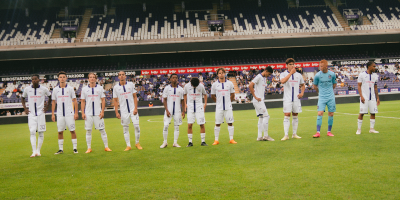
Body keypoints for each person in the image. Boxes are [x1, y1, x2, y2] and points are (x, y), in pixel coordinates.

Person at [81, 73, 112, 153]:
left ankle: (106, 147)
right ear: (88, 79)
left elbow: (103, 100)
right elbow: (83, 101)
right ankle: (89, 148)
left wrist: (102, 111)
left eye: (93, 77)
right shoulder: (84, 89)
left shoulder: (100, 88)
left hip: (98, 113)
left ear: (95, 79)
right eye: (90, 77)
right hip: (88, 113)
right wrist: (83, 113)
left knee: (102, 130)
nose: (92, 78)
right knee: (88, 131)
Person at [22, 74, 52, 157]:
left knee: (41, 133)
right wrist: (25, 108)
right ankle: (34, 151)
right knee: (32, 132)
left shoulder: (44, 89)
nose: (34, 80)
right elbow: (22, 98)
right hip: (31, 114)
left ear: (39, 80)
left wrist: (46, 108)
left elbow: (50, 96)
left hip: (41, 114)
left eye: (35, 79)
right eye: (32, 79)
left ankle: (38, 151)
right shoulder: (27, 89)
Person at [113, 71, 142, 151]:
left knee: (136, 126)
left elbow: (135, 97)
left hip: (133, 109)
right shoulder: (115, 87)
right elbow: (115, 100)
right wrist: (116, 112)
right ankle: (128, 145)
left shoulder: (131, 85)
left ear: (125, 76)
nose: (121, 76)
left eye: (123, 75)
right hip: (123, 111)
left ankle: (137, 143)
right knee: (125, 128)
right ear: (118, 77)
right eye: (120, 75)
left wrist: (136, 108)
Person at [52, 71, 79, 154]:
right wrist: (53, 114)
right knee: (60, 131)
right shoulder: (55, 89)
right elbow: (53, 102)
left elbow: (75, 101)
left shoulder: (70, 89)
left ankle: (75, 148)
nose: (62, 78)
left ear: (66, 78)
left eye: (64, 77)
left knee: (72, 130)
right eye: (60, 77)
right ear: (58, 78)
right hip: (60, 114)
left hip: (69, 113)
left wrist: (76, 113)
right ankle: (60, 149)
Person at [280, 58, 305, 141]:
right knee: (287, 115)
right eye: (290, 64)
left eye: (293, 64)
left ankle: (294, 134)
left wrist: (302, 93)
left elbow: (303, 85)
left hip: (296, 99)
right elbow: (282, 81)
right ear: (286, 65)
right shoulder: (283, 74)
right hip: (287, 99)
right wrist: (291, 73)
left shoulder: (298, 75)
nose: (292, 65)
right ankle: (286, 135)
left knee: (295, 115)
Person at [211, 68, 237, 145]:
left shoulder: (230, 83)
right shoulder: (215, 84)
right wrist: (218, 102)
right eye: (219, 73)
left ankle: (231, 139)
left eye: (222, 73)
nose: (221, 74)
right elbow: (212, 96)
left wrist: (229, 101)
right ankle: (216, 140)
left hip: (228, 107)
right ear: (217, 74)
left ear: (225, 73)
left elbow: (232, 94)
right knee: (217, 123)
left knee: (230, 122)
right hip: (219, 107)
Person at [249, 66, 275, 141]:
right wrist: (255, 96)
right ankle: (266, 136)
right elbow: (250, 85)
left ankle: (259, 136)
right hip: (258, 101)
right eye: (269, 74)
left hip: (260, 101)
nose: (269, 76)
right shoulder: (259, 77)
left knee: (261, 117)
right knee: (266, 116)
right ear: (265, 71)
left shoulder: (263, 78)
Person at [160, 74, 185, 148]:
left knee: (177, 127)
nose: (174, 79)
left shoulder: (181, 89)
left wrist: (183, 111)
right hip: (169, 110)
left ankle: (175, 142)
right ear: (170, 79)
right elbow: (164, 99)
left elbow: (182, 101)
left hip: (177, 111)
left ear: (177, 79)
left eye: (176, 78)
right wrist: (167, 110)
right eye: (173, 78)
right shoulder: (167, 88)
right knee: (165, 126)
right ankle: (165, 142)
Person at [313, 60, 337, 138]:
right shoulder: (317, 75)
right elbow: (314, 86)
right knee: (320, 113)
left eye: (322, 66)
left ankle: (329, 132)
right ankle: (318, 132)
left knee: (331, 114)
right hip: (322, 97)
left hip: (331, 97)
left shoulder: (332, 74)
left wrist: (329, 92)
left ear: (326, 66)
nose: (320, 67)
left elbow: (334, 84)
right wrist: (319, 93)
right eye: (320, 66)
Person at [356, 61, 380, 135]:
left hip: (372, 98)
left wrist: (377, 98)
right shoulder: (362, 75)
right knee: (362, 113)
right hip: (364, 97)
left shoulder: (375, 76)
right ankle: (359, 129)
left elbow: (375, 88)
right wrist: (361, 96)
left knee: (373, 113)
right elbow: (359, 86)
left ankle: (371, 129)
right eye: (373, 66)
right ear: (369, 67)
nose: (375, 68)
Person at [183, 77, 208, 147]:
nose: (195, 87)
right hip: (190, 107)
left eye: (196, 86)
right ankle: (190, 142)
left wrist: (205, 104)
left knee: (202, 124)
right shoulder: (186, 86)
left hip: (199, 106)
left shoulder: (201, 86)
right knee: (189, 125)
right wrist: (185, 104)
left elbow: (205, 94)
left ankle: (203, 141)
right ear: (190, 83)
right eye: (194, 86)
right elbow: (184, 94)